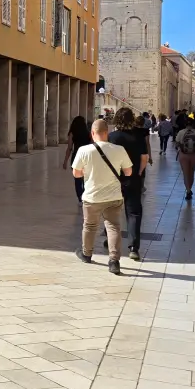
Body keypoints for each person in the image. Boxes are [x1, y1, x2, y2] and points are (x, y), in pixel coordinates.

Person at [72, 118, 133, 275]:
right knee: (113, 227)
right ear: (108, 133)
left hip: (92, 197)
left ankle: (87, 253)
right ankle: (114, 261)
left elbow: (76, 174)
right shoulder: (119, 149)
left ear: (92, 133)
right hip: (114, 196)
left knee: (90, 226)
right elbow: (129, 172)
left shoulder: (84, 150)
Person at [108, 108, 150, 262]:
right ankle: (134, 247)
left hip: (114, 180)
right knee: (133, 213)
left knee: (112, 211)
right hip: (133, 179)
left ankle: (110, 239)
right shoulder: (138, 136)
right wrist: (138, 172)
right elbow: (144, 157)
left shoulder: (111, 137)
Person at [63, 116, 92, 204]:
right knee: (87, 178)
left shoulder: (72, 133)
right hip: (87, 157)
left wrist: (65, 161)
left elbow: (69, 148)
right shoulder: (88, 133)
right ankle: (86, 196)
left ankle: (80, 197)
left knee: (77, 179)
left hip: (76, 157)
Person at [175, 118, 195, 200]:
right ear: (193, 124)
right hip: (194, 155)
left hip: (183, 155)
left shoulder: (181, 132)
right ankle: (190, 189)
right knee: (191, 173)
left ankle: (188, 191)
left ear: (185, 124)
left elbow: (177, 144)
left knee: (185, 173)